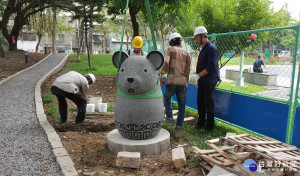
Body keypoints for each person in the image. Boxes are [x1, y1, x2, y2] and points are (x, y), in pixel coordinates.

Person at [190, 26, 220, 132]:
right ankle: (200, 123)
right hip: (202, 80)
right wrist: (198, 78)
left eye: (196, 38)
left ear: (203, 36)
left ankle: (209, 126)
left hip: (210, 81)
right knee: (200, 102)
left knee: (208, 103)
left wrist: (198, 76)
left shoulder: (211, 49)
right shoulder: (203, 48)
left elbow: (211, 67)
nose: (195, 40)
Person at [160, 32, 192, 130]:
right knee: (182, 104)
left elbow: (166, 63)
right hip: (183, 81)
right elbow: (187, 70)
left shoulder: (170, 50)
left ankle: (169, 117)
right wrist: (186, 82)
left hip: (172, 80)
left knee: (167, 97)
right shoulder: (186, 54)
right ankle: (179, 125)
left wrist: (161, 73)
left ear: (172, 42)